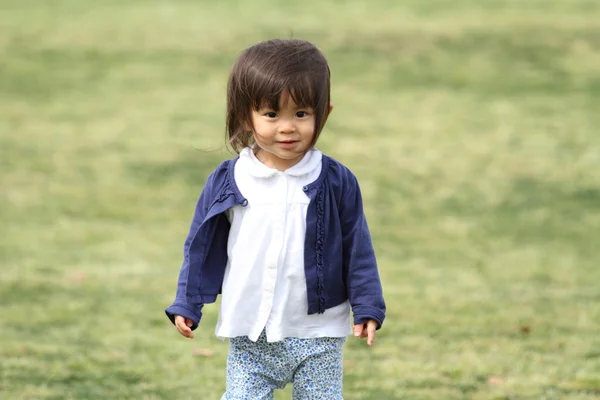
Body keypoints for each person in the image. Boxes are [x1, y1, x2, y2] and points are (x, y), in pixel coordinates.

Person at [165, 38, 386, 400]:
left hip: (317, 331)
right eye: (271, 114)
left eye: (301, 114)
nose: (287, 128)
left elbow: (357, 246)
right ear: (244, 116)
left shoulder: (335, 180)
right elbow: (200, 245)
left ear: (323, 114)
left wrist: (368, 305)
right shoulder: (230, 180)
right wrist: (188, 302)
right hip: (251, 329)